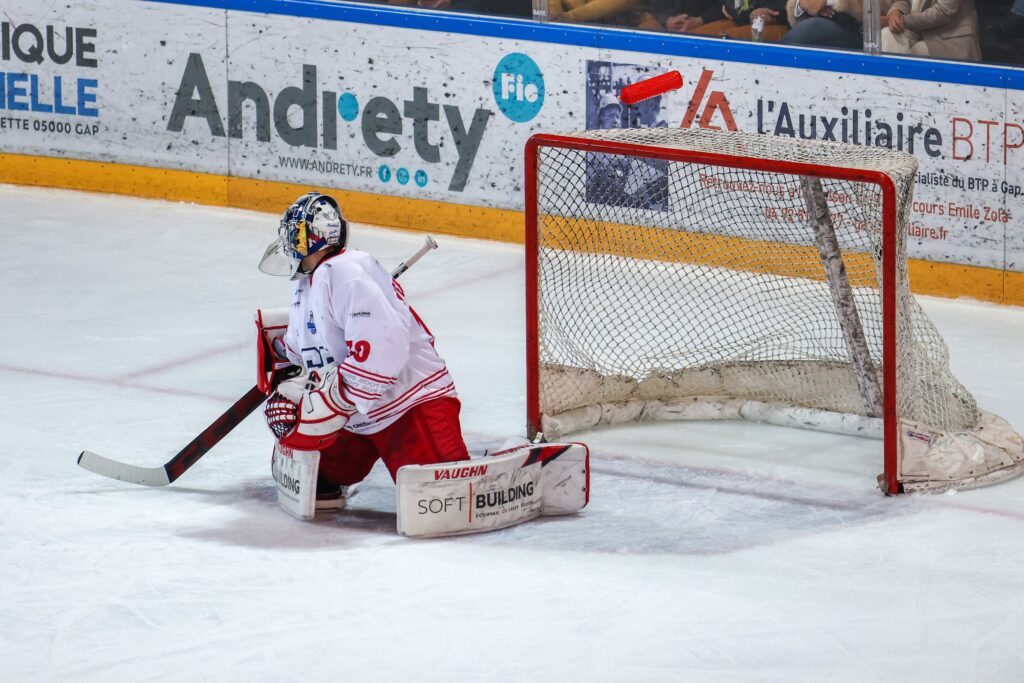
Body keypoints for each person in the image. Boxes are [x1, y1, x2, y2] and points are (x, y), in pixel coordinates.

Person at [257, 192, 470, 510]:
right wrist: (280, 354)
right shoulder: (306, 284)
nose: (287, 241)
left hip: (407, 405)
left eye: (293, 233)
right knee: (314, 480)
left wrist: (334, 398)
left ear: (312, 237)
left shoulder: (347, 272)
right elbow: (306, 346)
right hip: (356, 415)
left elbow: (385, 347)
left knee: (443, 498)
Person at [881, 0, 981, 60]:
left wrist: (902, 21)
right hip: (914, 31)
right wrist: (895, 12)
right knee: (887, 36)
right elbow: (903, 1)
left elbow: (942, 12)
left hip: (948, 40)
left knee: (909, 57)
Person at [779, 0, 865, 49]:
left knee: (813, 27)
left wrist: (828, 1)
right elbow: (793, 8)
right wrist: (803, 3)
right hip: (813, 30)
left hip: (858, 35)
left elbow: (870, 8)